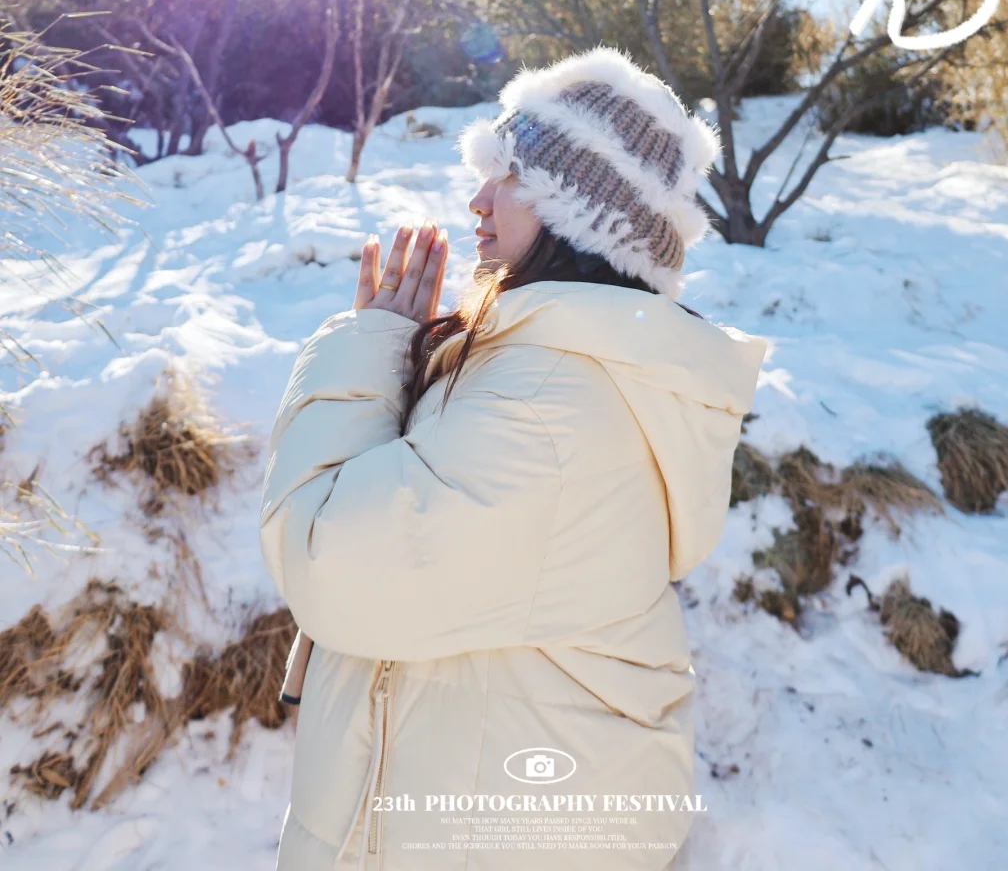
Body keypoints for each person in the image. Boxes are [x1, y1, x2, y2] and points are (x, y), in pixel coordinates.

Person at [260, 46, 767, 870]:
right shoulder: (554, 367)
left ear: (583, 212)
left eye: (510, 174)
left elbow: (331, 564)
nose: (478, 198)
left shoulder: (545, 404)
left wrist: (365, 352)